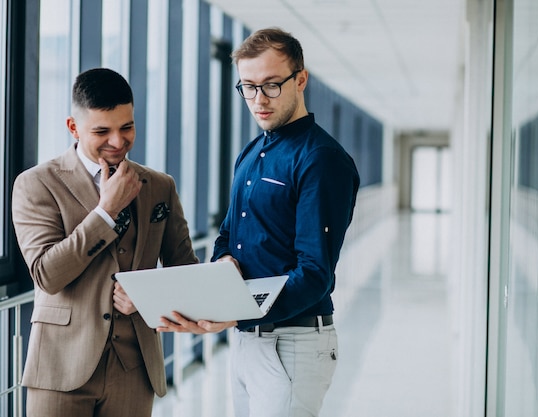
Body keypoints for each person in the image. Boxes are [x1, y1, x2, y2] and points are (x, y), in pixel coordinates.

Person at [158, 27, 360, 417]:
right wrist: (223, 267)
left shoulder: (321, 159)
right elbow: (229, 237)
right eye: (248, 87)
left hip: (295, 341)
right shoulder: (251, 153)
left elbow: (315, 272)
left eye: (270, 86)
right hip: (249, 340)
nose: (258, 100)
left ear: (300, 79)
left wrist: (233, 313)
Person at [11, 68, 198, 417]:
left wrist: (148, 297)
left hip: (135, 370)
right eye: (102, 131)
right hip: (60, 367)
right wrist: (106, 212)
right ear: (73, 127)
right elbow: (47, 274)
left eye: (126, 127)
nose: (117, 140)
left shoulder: (160, 186)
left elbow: (185, 272)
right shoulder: (36, 184)